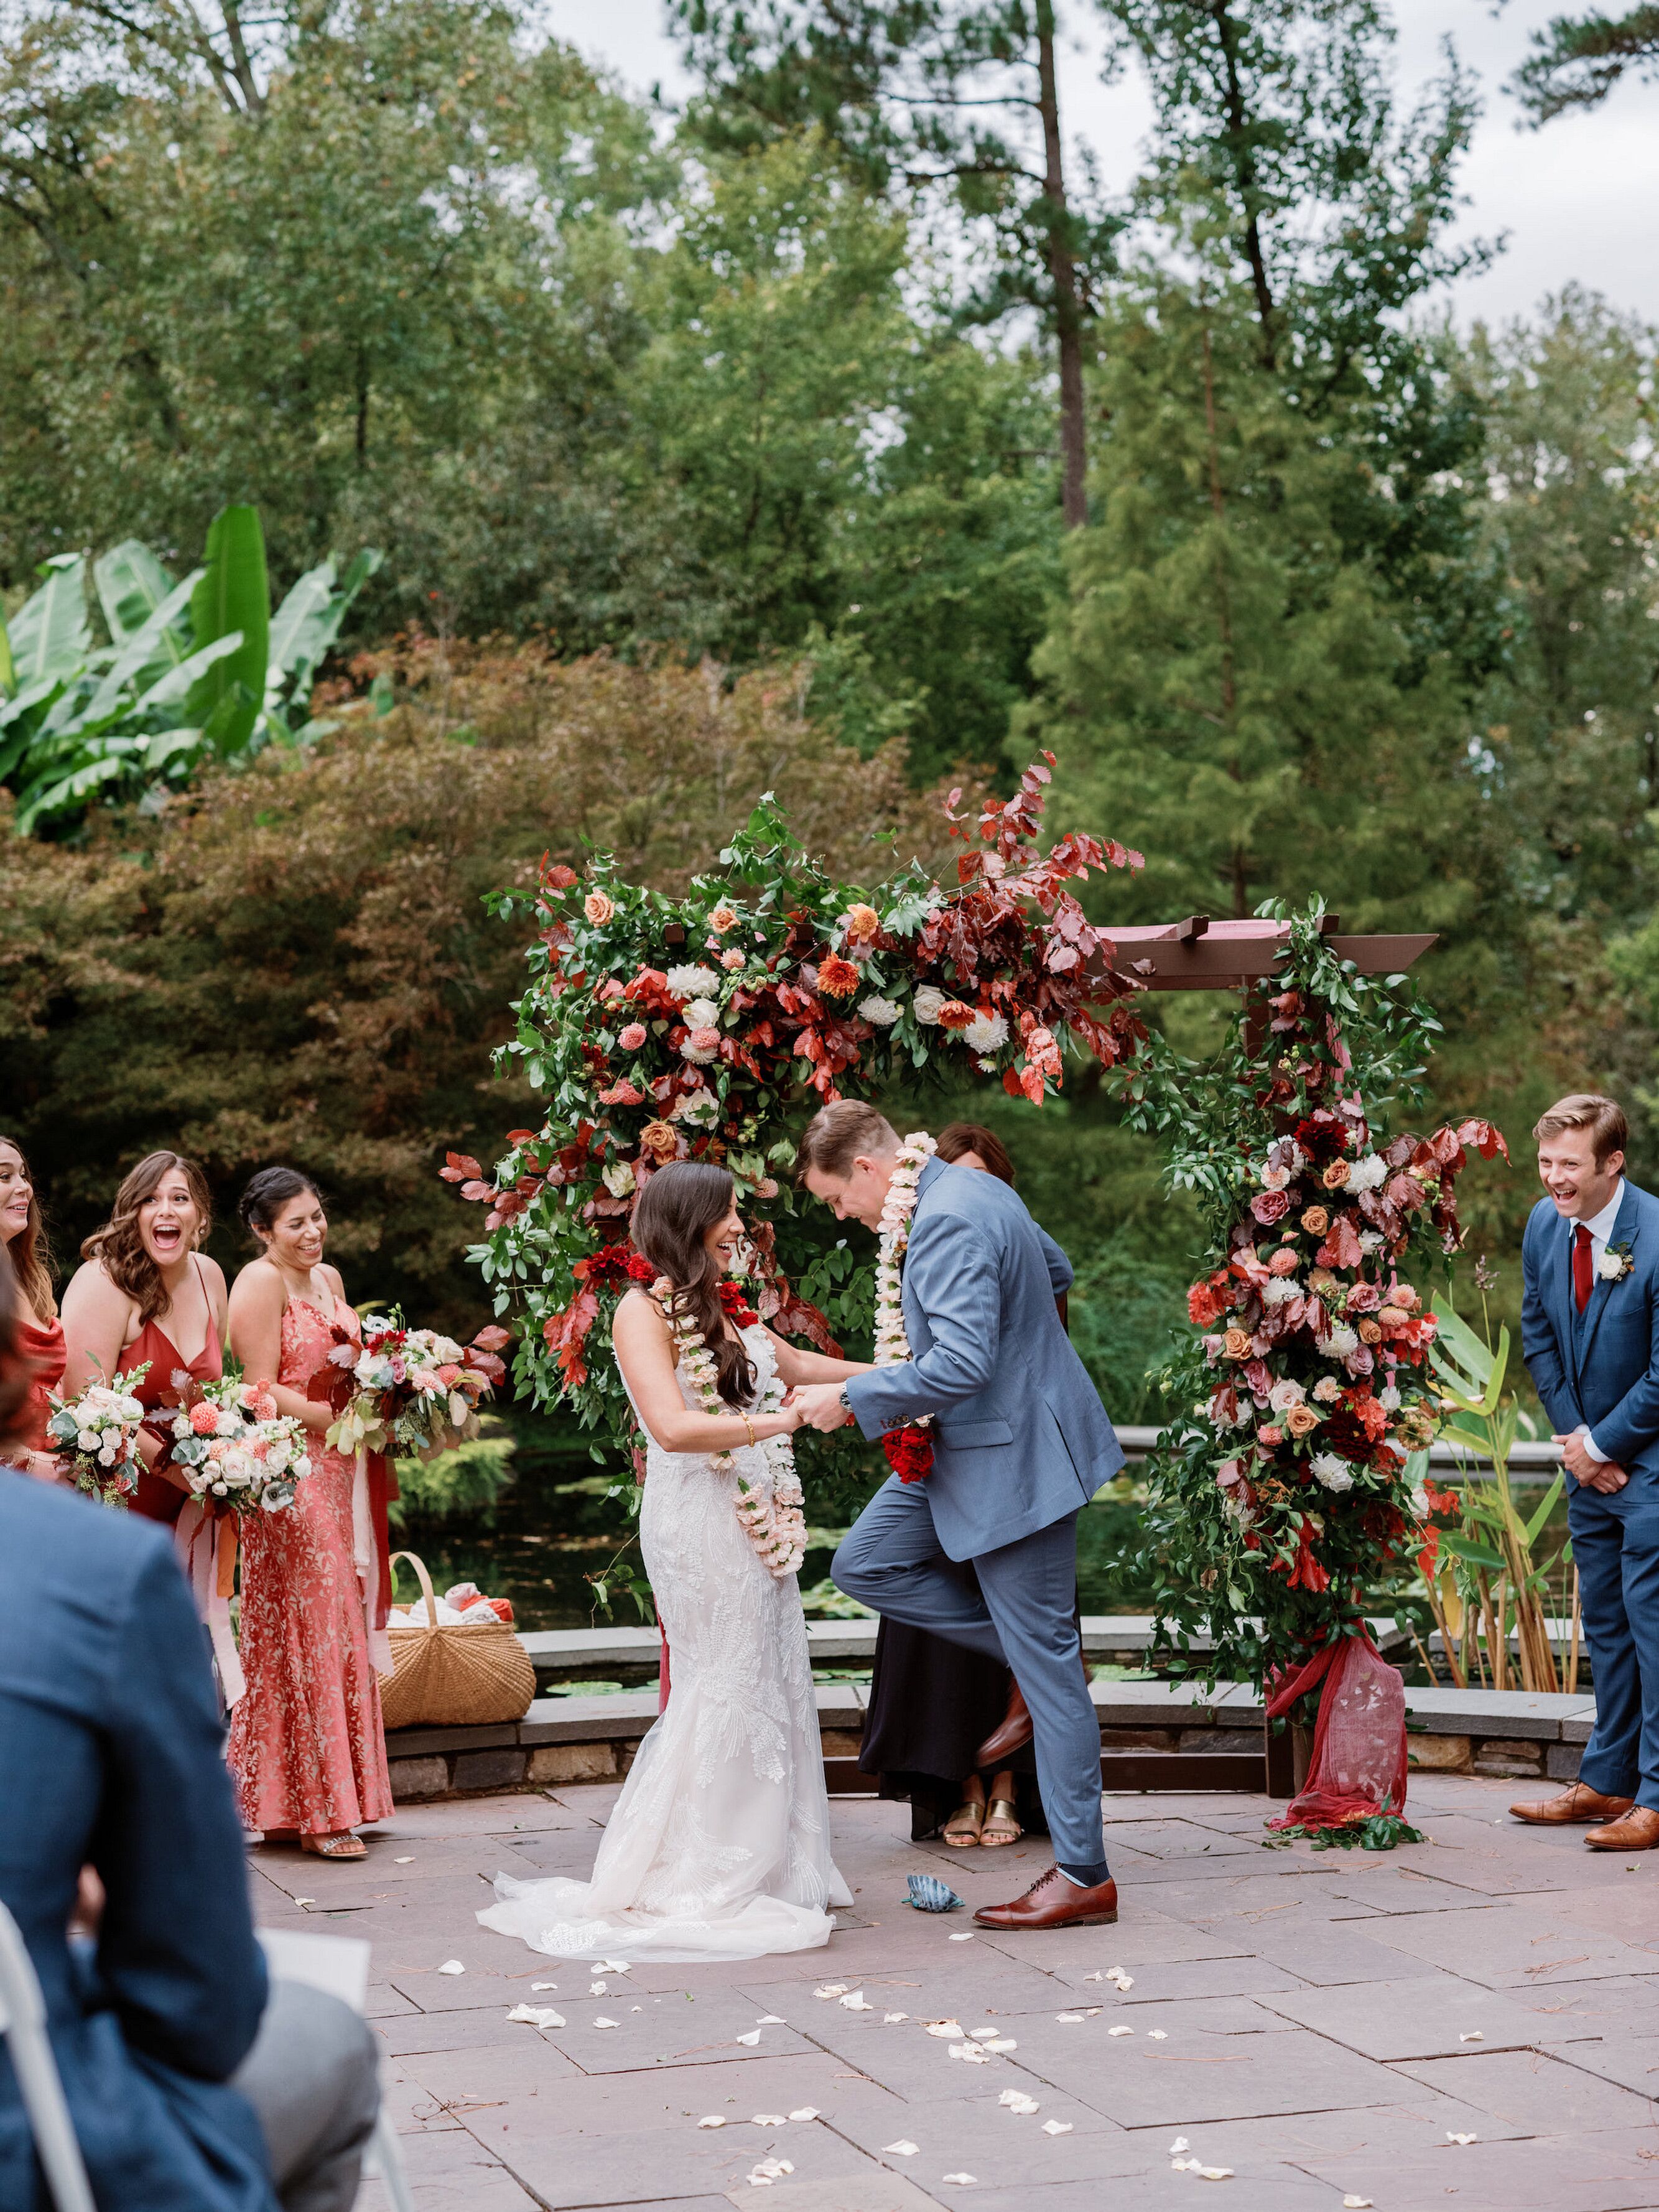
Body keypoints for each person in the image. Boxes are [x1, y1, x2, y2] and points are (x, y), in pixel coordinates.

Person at [0, 1242, 383, 2212]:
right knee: (329, 2042)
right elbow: (199, 2002)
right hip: (29, 2124)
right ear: (20, 1362)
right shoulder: (97, 1575)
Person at [479, 1161, 862, 1961]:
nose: (740, 1227)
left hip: (756, 1523)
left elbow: (800, 1368)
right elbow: (674, 1428)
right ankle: (701, 1865)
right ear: (690, 1221)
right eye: (727, 1214)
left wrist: (902, 1376)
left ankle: (774, 1859)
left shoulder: (727, 1308)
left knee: (770, 1672)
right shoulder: (638, 1312)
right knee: (723, 1681)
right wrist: (781, 1425)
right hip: (698, 1521)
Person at [792, 1100, 1123, 1931]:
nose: (841, 1216)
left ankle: (1084, 1875)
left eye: (835, 1199)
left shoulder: (942, 1219)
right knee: (862, 1563)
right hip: (961, 1447)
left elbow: (964, 1361)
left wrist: (852, 1396)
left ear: (868, 1169)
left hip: (1012, 1463)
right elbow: (1051, 1269)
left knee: (1048, 1674)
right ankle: (1035, 1658)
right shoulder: (973, 1194)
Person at [858, 1122, 1072, 1849]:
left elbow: (978, 1350)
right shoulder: (920, 1229)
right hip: (939, 1449)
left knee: (1034, 1631)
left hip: (1008, 1453)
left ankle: (1065, 1849)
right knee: (867, 1564)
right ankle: (964, 1783)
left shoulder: (977, 1218)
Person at [227, 1167, 394, 1862]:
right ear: (264, 1230)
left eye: (317, 1217)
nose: (312, 1231)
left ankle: (323, 1800)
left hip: (342, 1467)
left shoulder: (330, 1281)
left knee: (337, 1619)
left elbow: (353, 1367)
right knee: (308, 1626)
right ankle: (318, 1810)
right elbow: (255, 1388)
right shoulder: (259, 1282)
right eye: (295, 1222)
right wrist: (329, 1418)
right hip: (288, 1471)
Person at [1514, 1093, 1659, 1849]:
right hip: (1588, 1462)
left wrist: (1603, 1446)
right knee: (1604, 1624)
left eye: (1569, 1165)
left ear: (1613, 1162)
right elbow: (1538, 1330)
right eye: (1545, 1163)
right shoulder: (1544, 1225)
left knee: (1654, 1629)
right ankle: (1609, 1779)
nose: (1554, 1180)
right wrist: (1577, 1441)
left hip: (1651, 1467)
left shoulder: (1658, 1235)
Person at [60, 1150, 228, 1527]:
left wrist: (233, 1466)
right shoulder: (103, 1281)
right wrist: (190, 1476)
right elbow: (86, 1408)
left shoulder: (210, 1276)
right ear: (133, 1215)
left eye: (179, 1198)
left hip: (194, 1503)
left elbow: (214, 1396)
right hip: (118, 1502)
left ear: (200, 1217)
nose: (165, 1209)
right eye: (150, 1199)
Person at [0, 1133, 66, 1479]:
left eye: (24, 1175)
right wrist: (30, 1461)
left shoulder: (31, 1278)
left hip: (59, 1476)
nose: (24, 1187)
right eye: (4, 1176)